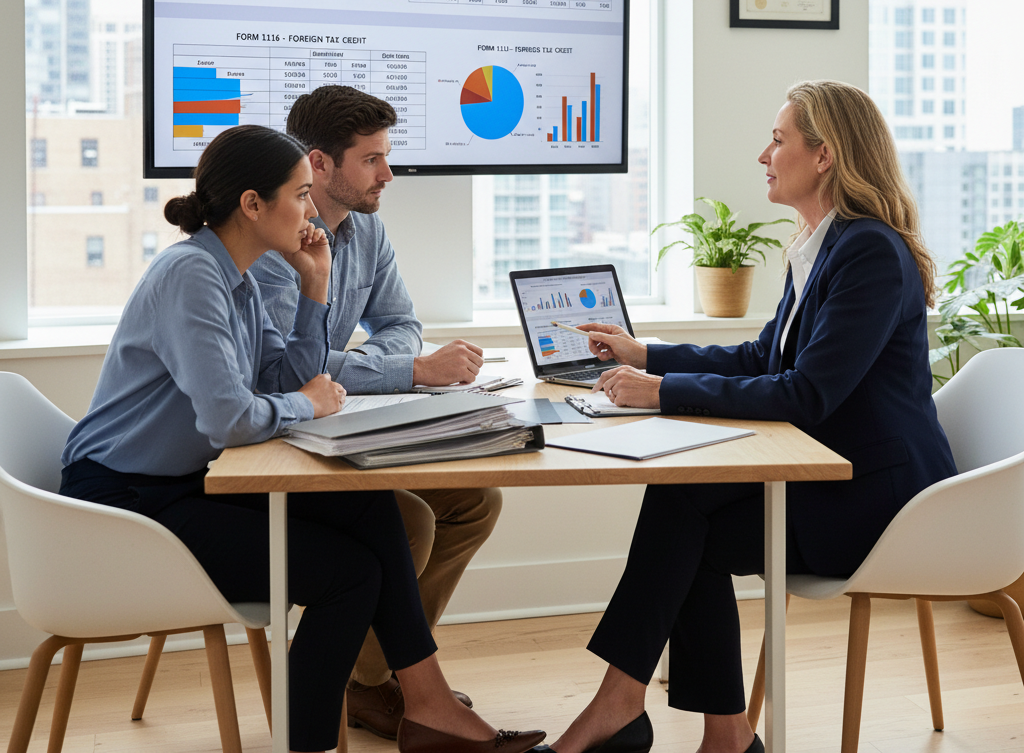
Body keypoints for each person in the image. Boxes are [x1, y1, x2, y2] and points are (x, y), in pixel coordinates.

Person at [59, 125, 543, 753]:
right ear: (252, 204)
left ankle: (427, 706)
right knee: (348, 574)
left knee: (370, 510)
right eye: (301, 195)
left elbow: (281, 375)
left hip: (194, 480)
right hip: (130, 503)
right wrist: (306, 402)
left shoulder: (240, 275)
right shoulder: (192, 276)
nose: (314, 211)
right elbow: (233, 419)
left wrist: (314, 286)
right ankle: (354, 729)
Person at [547, 81, 958, 753]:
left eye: (779, 138)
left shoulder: (869, 253)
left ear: (823, 155)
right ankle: (714, 733)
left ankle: (632, 712)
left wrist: (660, 390)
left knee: (686, 520)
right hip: (835, 475)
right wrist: (646, 352)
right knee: (684, 512)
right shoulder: (823, 243)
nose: (764, 153)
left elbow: (805, 394)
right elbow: (763, 355)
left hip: (879, 500)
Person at [251, 85, 503, 737]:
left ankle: (374, 678)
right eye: (373, 159)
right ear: (321, 164)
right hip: (282, 438)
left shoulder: (368, 231)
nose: (388, 174)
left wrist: (388, 364)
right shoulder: (274, 244)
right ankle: (376, 685)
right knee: (408, 517)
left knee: (475, 498)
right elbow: (287, 369)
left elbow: (399, 322)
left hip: (349, 421)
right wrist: (407, 371)